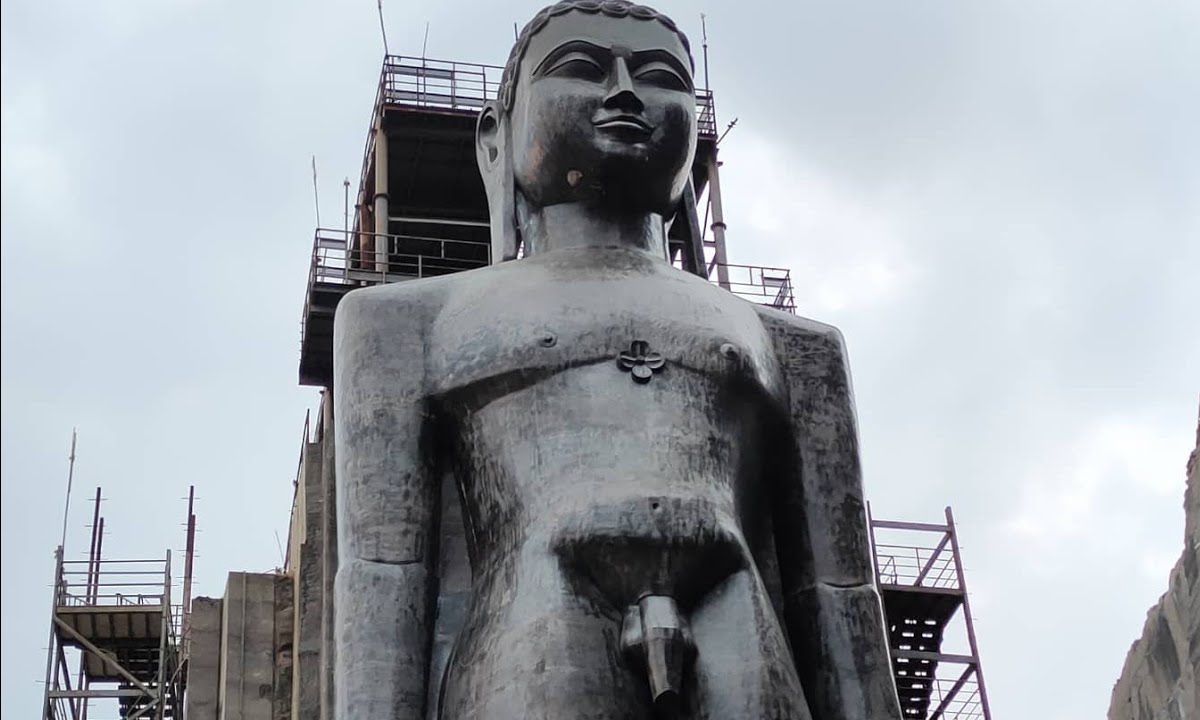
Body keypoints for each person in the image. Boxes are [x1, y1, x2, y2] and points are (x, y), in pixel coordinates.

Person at [333, 2, 902, 718]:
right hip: (535, 613)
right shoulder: (405, 322)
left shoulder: (795, 346)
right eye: (580, 69)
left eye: (662, 78)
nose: (627, 91)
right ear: (495, 137)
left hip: (734, 601)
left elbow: (838, 593)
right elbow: (385, 577)